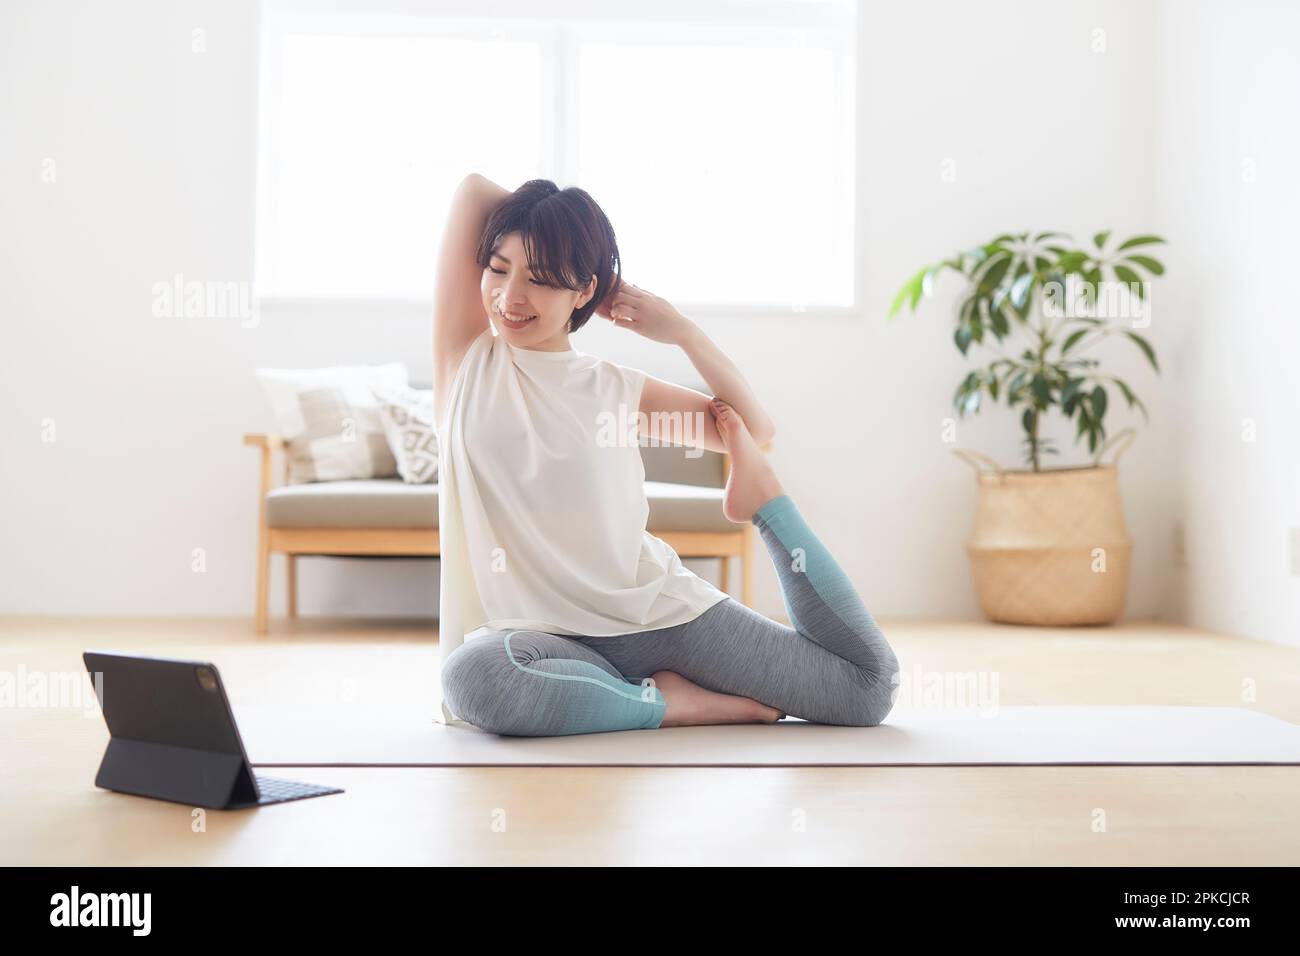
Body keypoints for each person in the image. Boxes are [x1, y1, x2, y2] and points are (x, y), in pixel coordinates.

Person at [433, 173, 899, 736]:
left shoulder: (615, 390)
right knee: (473, 677)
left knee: (865, 690)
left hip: (658, 616)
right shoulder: (464, 361)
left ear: (585, 292)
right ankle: (674, 704)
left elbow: (754, 430)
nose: (510, 298)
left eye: (542, 279)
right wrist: (554, 228)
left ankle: (767, 505)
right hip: (538, 639)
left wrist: (683, 334)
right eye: (499, 269)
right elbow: (472, 190)